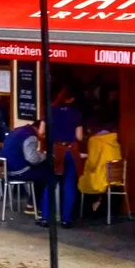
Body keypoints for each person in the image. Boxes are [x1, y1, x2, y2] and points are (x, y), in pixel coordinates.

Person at [0, 118, 58, 224]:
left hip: (6, 169)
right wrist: (46, 156)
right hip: (18, 171)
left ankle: (32, 203)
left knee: (40, 172)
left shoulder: (17, 130)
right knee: (47, 175)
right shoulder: (30, 136)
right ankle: (38, 207)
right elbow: (33, 159)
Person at [47, 88, 84, 226]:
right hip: (69, 150)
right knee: (69, 185)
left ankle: (45, 217)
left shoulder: (51, 110)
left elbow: (41, 131)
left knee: (50, 184)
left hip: (55, 150)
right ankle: (66, 219)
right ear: (72, 99)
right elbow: (79, 137)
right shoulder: (76, 114)